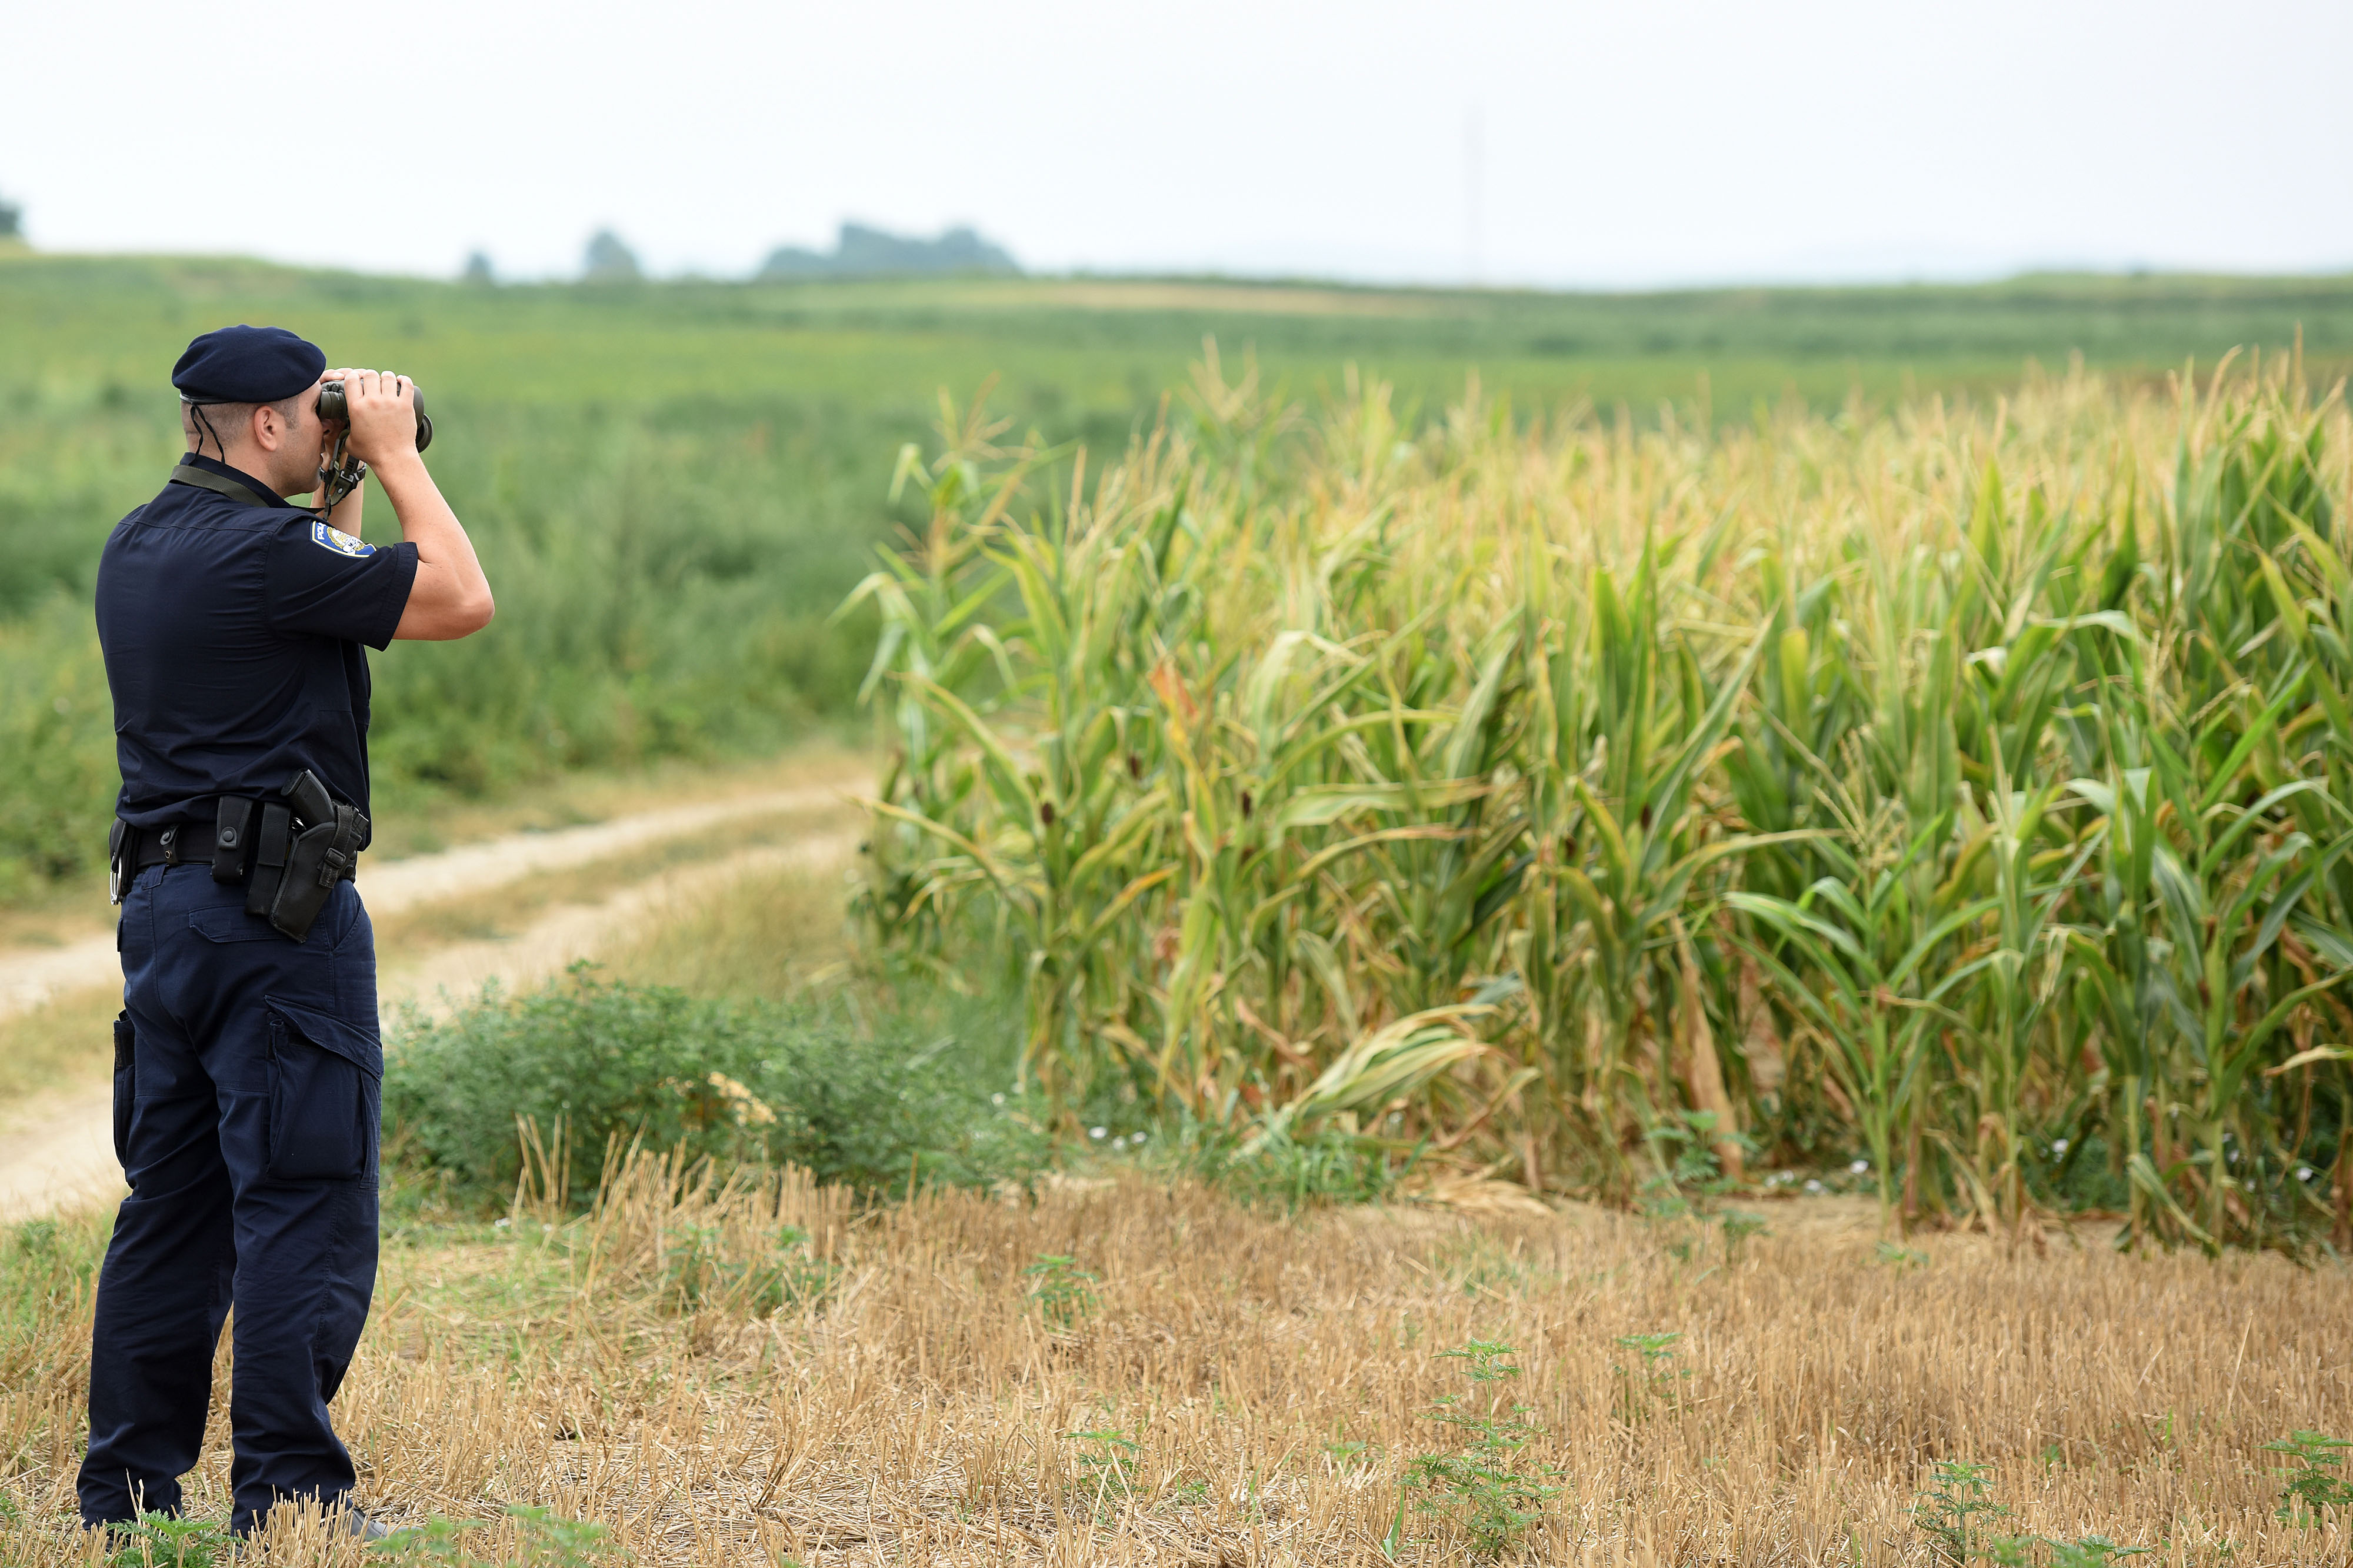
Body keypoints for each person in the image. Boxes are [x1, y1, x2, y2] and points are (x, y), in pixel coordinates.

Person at [78, 325, 494, 1540]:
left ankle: (127, 1500)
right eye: (318, 419)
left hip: (165, 914)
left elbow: (319, 603)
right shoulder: (267, 552)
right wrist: (402, 455)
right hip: (277, 918)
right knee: (301, 1197)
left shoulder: (142, 540)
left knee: (175, 1206)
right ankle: (291, 1497)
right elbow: (459, 598)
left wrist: (341, 488)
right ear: (269, 422)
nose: (335, 431)